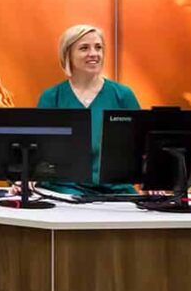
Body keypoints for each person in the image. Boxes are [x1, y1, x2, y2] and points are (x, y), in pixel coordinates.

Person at [35, 24, 141, 196]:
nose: (94, 54)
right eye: (84, 48)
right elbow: (39, 152)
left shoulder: (123, 95)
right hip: (65, 192)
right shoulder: (51, 97)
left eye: (98, 47)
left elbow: (142, 147)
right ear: (67, 54)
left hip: (117, 192)